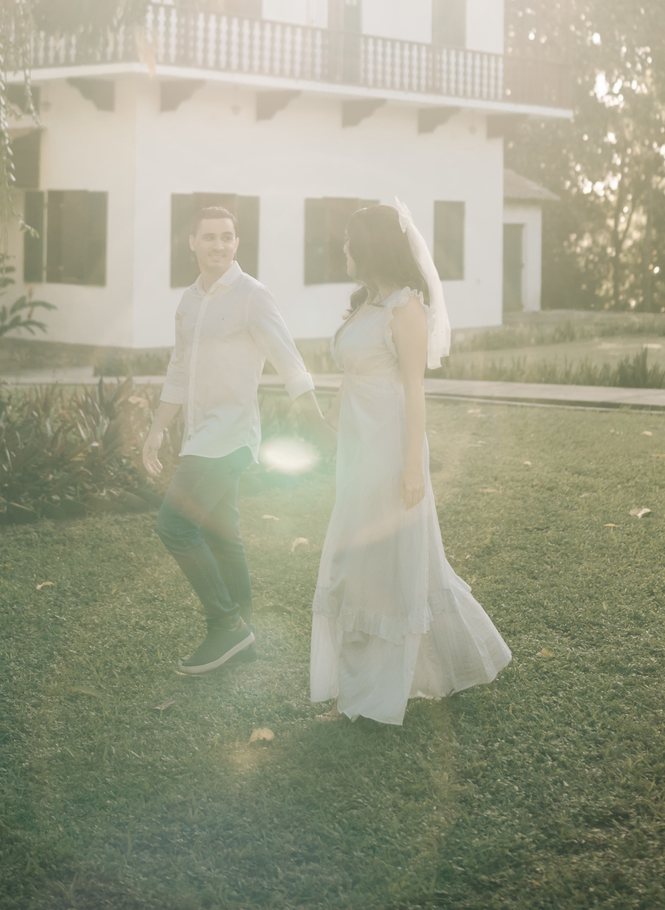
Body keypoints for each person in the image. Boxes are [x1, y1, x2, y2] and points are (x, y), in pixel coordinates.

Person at [310, 200, 511, 724]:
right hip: (356, 448)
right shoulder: (364, 305)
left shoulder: (405, 307)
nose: (345, 250)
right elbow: (353, 375)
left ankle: (374, 693)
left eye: (352, 242)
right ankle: (366, 681)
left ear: (371, 246)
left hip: (388, 448)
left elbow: (414, 391)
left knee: (382, 568)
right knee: (364, 564)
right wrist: (327, 423)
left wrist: (411, 467)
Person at [144, 203, 333, 675]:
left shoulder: (252, 295)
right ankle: (243, 639)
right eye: (209, 237)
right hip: (198, 435)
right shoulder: (188, 300)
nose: (219, 245)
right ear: (192, 242)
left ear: (236, 243)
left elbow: (289, 361)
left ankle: (226, 625)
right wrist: (157, 428)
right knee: (222, 535)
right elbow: (179, 370)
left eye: (227, 237)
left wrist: (319, 423)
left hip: (229, 436)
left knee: (174, 525)